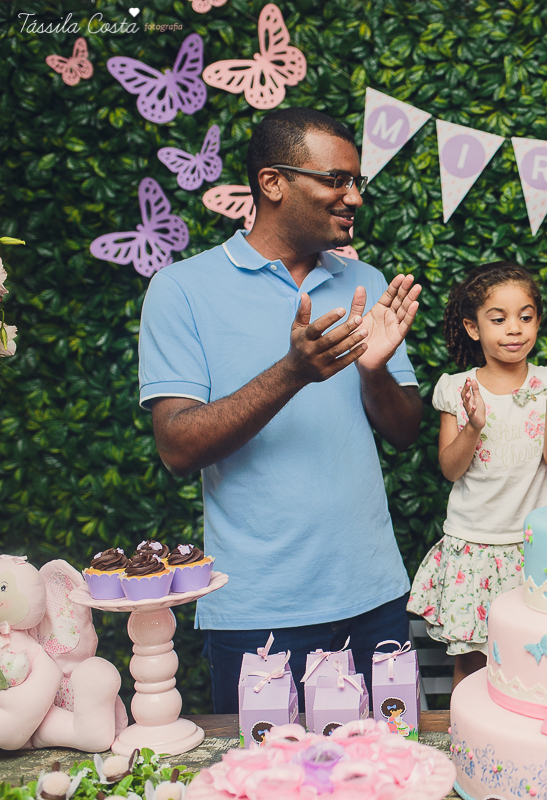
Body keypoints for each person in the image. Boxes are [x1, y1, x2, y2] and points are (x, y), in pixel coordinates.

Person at [138, 107, 423, 712]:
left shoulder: (365, 280)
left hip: (374, 595)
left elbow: (404, 431)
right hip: (258, 611)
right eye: (336, 180)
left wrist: (374, 372)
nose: (354, 197)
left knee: (390, 760)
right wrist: (293, 373)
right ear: (273, 183)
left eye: (356, 181)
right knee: (265, 765)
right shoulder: (181, 289)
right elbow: (177, 447)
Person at [407, 262, 547, 686]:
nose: (514, 329)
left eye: (525, 317)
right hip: (473, 546)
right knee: (473, 660)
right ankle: (467, 728)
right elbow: (450, 468)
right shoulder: (457, 388)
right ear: (473, 328)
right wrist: (474, 425)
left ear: (537, 322)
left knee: (537, 657)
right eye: (498, 319)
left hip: (533, 545)